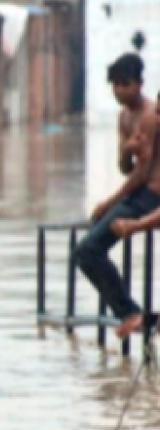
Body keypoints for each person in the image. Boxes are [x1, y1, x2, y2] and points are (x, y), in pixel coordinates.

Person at [76, 53, 160, 339]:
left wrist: (108, 203)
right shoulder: (124, 117)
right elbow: (126, 168)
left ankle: (131, 313)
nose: (119, 91)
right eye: (115, 85)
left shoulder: (151, 116)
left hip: (150, 197)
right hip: (138, 194)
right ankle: (131, 313)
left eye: (125, 84)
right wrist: (126, 150)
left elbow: (143, 174)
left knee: (88, 249)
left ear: (139, 84)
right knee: (87, 249)